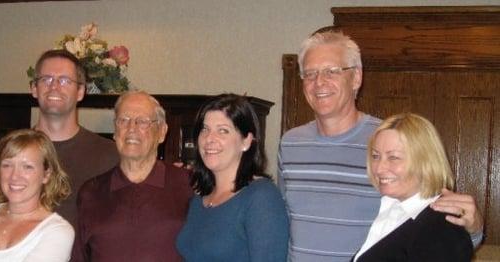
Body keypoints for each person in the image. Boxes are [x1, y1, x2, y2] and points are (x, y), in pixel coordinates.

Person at [277, 30, 484, 261]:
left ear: (356, 77)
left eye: (332, 71)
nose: (319, 82)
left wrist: (474, 228)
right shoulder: (291, 143)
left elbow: (435, 228)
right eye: (310, 73)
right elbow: (284, 221)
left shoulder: (389, 142)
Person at [0, 49, 120, 227]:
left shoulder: (109, 154)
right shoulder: (8, 150)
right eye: (46, 79)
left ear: (81, 91)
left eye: (65, 80)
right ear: (34, 88)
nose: (54, 86)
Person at [71, 91, 193, 262]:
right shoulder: (91, 192)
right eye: (123, 120)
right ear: (114, 131)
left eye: (142, 121)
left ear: (162, 132)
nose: (131, 129)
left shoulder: (187, 185)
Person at [176, 93, 289, 261]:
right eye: (205, 129)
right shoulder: (199, 198)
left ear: (246, 141)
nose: (209, 139)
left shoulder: (261, 197)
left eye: (223, 130)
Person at [353, 113, 473, 261]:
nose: (379, 168)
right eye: (376, 156)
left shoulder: (442, 228)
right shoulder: (394, 208)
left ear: (425, 161)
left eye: (394, 157)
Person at [0, 129, 74, 261]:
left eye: (27, 167)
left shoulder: (57, 232)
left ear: (46, 175)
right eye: (7, 165)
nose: (15, 176)